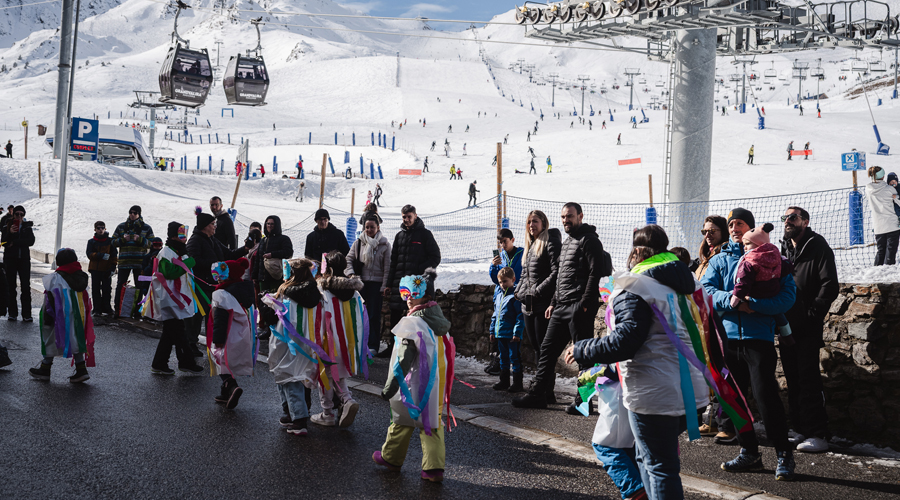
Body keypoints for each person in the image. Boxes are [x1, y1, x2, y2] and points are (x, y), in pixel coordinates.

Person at [566, 225, 710, 500]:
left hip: (653, 393)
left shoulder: (636, 285)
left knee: (658, 466)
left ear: (637, 252)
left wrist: (582, 349)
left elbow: (626, 340)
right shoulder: (688, 285)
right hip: (691, 389)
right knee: (653, 461)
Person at [701, 207, 797, 481]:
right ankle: (750, 452)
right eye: (730, 225)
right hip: (727, 341)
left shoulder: (772, 258)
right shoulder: (719, 261)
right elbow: (706, 292)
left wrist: (751, 304)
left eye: (740, 224)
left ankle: (783, 454)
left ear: (753, 229)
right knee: (733, 398)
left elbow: (787, 298)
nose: (733, 229)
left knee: (766, 396)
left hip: (759, 340)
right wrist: (733, 301)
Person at [513, 203, 611, 412]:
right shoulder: (567, 242)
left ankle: (584, 403)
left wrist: (584, 304)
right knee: (547, 350)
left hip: (578, 306)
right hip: (561, 306)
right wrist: (554, 303)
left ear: (580, 216)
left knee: (583, 354)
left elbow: (596, 273)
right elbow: (561, 277)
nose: (566, 220)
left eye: (570, 216)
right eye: (563, 217)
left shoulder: (590, 240)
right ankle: (539, 394)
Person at [373, 268, 453, 483]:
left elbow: (404, 358)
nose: (408, 299)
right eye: (404, 294)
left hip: (413, 382)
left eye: (413, 294)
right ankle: (433, 468)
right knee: (430, 421)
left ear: (427, 296)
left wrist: (390, 386)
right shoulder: (438, 321)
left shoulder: (413, 323)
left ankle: (391, 458)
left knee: (402, 418)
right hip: (436, 382)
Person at [780, 206, 839, 453]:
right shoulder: (785, 249)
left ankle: (818, 433)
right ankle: (800, 428)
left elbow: (829, 285)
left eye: (792, 217)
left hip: (807, 326)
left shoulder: (818, 246)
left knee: (808, 379)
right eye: (784, 218)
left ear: (805, 221)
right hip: (786, 326)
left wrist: (812, 315)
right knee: (792, 379)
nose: (787, 221)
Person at [261, 258, 322, 436]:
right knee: (299, 374)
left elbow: (273, 318)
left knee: (289, 377)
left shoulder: (286, 293)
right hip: (307, 341)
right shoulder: (316, 294)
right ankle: (294, 413)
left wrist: (264, 302)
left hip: (287, 342)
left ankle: (298, 419)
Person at [185, 209, 250, 354]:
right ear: (205, 226)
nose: (215, 226)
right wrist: (214, 264)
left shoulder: (212, 239)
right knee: (196, 316)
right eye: (213, 224)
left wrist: (245, 249)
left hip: (214, 285)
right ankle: (190, 343)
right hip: (200, 285)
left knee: (212, 316)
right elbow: (193, 261)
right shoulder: (195, 240)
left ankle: (212, 343)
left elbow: (229, 254)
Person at [311, 251, 364, 428]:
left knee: (325, 375)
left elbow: (317, 317)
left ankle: (327, 413)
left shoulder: (323, 291)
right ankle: (347, 400)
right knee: (338, 374)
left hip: (328, 341)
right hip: (347, 342)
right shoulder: (355, 294)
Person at [143, 222, 204, 375]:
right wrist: (189, 262)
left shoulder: (179, 251)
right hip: (168, 299)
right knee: (178, 331)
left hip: (177, 299)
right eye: (181, 234)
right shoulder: (166, 252)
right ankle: (186, 362)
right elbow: (169, 273)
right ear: (173, 235)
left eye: (185, 234)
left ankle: (160, 363)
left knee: (170, 333)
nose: (184, 238)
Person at [381, 205, 441, 357]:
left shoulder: (425, 235)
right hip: (399, 283)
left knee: (416, 316)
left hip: (418, 285)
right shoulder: (399, 236)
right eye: (404, 217)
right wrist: (389, 284)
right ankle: (393, 347)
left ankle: (415, 349)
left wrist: (418, 272)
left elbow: (435, 257)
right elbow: (393, 262)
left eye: (409, 216)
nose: (406, 220)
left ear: (415, 216)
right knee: (395, 315)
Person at [514, 210, 561, 403]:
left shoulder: (549, 241)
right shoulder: (530, 245)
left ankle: (542, 391)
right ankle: (546, 391)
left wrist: (537, 292)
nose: (532, 225)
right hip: (529, 305)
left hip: (542, 304)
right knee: (536, 348)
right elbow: (525, 275)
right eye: (529, 222)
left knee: (544, 349)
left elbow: (556, 271)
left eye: (535, 221)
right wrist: (518, 291)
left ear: (543, 223)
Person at [28, 248, 95, 383]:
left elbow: (50, 298)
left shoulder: (55, 278)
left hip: (58, 315)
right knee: (76, 338)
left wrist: (47, 315)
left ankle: (45, 368)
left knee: (51, 337)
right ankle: (81, 369)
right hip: (77, 315)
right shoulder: (82, 276)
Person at [730, 223, 793, 338]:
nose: (744, 247)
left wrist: (735, 298)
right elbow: (788, 268)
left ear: (758, 244)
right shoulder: (778, 258)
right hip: (772, 294)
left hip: (753, 297)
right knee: (779, 316)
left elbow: (743, 282)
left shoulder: (749, 262)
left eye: (748, 244)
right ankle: (787, 335)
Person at [208, 258, 256, 410]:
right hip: (242, 331)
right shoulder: (245, 290)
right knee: (229, 359)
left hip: (227, 333)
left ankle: (231, 385)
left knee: (220, 358)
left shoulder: (222, 294)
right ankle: (225, 392)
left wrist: (218, 339)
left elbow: (221, 319)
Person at [346, 212, 392, 356]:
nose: (369, 230)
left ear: (378, 227)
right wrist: (352, 274)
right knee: (359, 315)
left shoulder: (384, 244)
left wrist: (384, 286)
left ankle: (372, 345)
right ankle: (359, 343)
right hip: (361, 284)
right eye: (367, 227)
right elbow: (348, 259)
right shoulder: (358, 242)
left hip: (376, 285)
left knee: (373, 316)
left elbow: (387, 267)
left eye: (372, 227)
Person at [112, 205, 154, 318]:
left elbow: (152, 244)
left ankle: (137, 310)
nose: (132, 214)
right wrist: (122, 240)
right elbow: (112, 242)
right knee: (120, 285)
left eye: (135, 213)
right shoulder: (121, 226)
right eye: (130, 212)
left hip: (139, 262)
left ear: (139, 214)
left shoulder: (146, 228)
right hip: (124, 262)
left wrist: (139, 239)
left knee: (139, 285)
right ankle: (118, 309)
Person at [490, 267, 525, 392]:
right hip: (501, 333)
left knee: (514, 357)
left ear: (513, 280)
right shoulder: (499, 296)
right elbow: (495, 314)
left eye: (505, 281)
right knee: (503, 357)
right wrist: (492, 330)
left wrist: (517, 332)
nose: (503, 284)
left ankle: (517, 383)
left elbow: (520, 316)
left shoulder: (515, 296)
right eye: (500, 282)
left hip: (511, 334)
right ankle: (504, 381)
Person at [2, 205, 35, 321]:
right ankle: (12, 313)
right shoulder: (7, 226)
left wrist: (14, 242)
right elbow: (3, 243)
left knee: (26, 287)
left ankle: (27, 314)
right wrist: (10, 233)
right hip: (10, 260)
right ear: (13, 215)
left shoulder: (27, 227)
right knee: (11, 286)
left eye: (22, 214)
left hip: (24, 260)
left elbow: (30, 241)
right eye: (17, 214)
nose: (19, 217)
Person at [865, 166, 900, 265]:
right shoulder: (889, 189)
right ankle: (888, 276)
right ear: (883, 176)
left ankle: (876, 274)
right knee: (890, 253)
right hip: (892, 225)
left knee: (880, 251)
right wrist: (896, 196)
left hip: (878, 226)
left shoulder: (868, 189)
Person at [86, 221, 117, 317]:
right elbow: (89, 254)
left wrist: (113, 267)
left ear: (105, 229)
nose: (100, 230)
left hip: (106, 269)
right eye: (98, 228)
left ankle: (107, 308)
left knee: (107, 289)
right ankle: (97, 309)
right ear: (95, 229)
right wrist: (100, 255)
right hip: (95, 269)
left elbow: (114, 255)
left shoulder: (110, 241)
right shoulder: (91, 241)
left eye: (102, 228)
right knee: (95, 289)